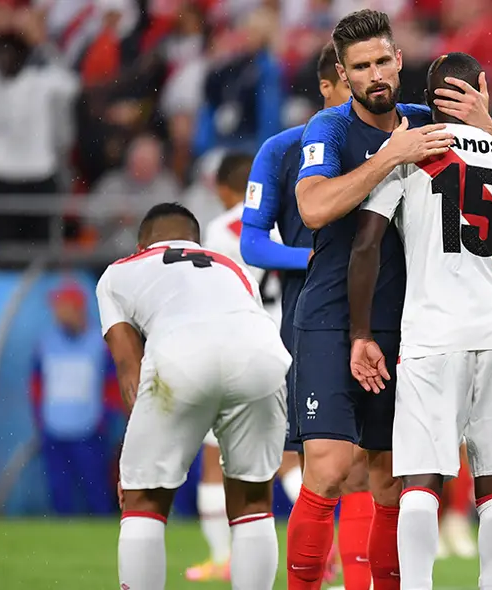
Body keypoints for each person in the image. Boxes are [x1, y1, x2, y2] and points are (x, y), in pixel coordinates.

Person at [285, 11, 492, 589]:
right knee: (327, 469)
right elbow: (313, 208)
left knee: (388, 480)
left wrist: (486, 122)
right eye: (360, 67)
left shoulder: (428, 122)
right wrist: (389, 156)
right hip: (331, 317)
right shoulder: (327, 131)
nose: (375, 74)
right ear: (343, 75)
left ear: (399, 60)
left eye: (382, 61)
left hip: (410, 323)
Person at [347, 52, 492, 590]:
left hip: (433, 332)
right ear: (482, 85)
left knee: (422, 480)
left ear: (427, 99)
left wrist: (361, 333)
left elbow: (367, 245)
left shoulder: (407, 151)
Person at [98, 203, 292, 590]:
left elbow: (129, 370)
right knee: (254, 499)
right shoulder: (231, 267)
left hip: (181, 354)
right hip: (262, 357)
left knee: (145, 502)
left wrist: (136, 466)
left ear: (142, 244)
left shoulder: (119, 272)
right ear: (197, 242)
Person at [242, 42, 372, 588]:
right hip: (312, 320)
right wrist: (312, 255)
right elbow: (252, 242)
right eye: (352, 82)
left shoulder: (391, 140)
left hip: (384, 319)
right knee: (319, 463)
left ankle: (361, 580)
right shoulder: (281, 149)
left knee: (370, 465)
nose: (364, 94)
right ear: (328, 86)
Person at [182, 152, 291, 582]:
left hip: (235, 343)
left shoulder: (219, 227)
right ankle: (327, 548)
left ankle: (222, 556)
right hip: (282, 341)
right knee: (290, 458)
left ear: (226, 188)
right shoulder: (284, 221)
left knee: (215, 457)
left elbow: (213, 291)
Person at [31, 281, 115, 516]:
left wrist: (104, 422)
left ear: (77, 308)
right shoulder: (46, 342)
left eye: (61, 306)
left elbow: (110, 387)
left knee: (97, 493)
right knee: (60, 495)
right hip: (54, 431)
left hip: (89, 431)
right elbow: (36, 385)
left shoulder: (99, 343)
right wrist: (41, 421)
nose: (57, 312)